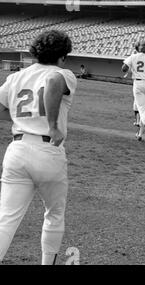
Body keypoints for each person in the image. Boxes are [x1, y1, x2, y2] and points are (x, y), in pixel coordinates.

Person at [0, 30, 77, 265]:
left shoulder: (17, 77)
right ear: (62, 56)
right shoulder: (63, 73)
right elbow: (54, 80)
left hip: (18, 147)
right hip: (47, 149)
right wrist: (52, 125)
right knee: (54, 213)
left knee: (6, 219)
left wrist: (22, 119)